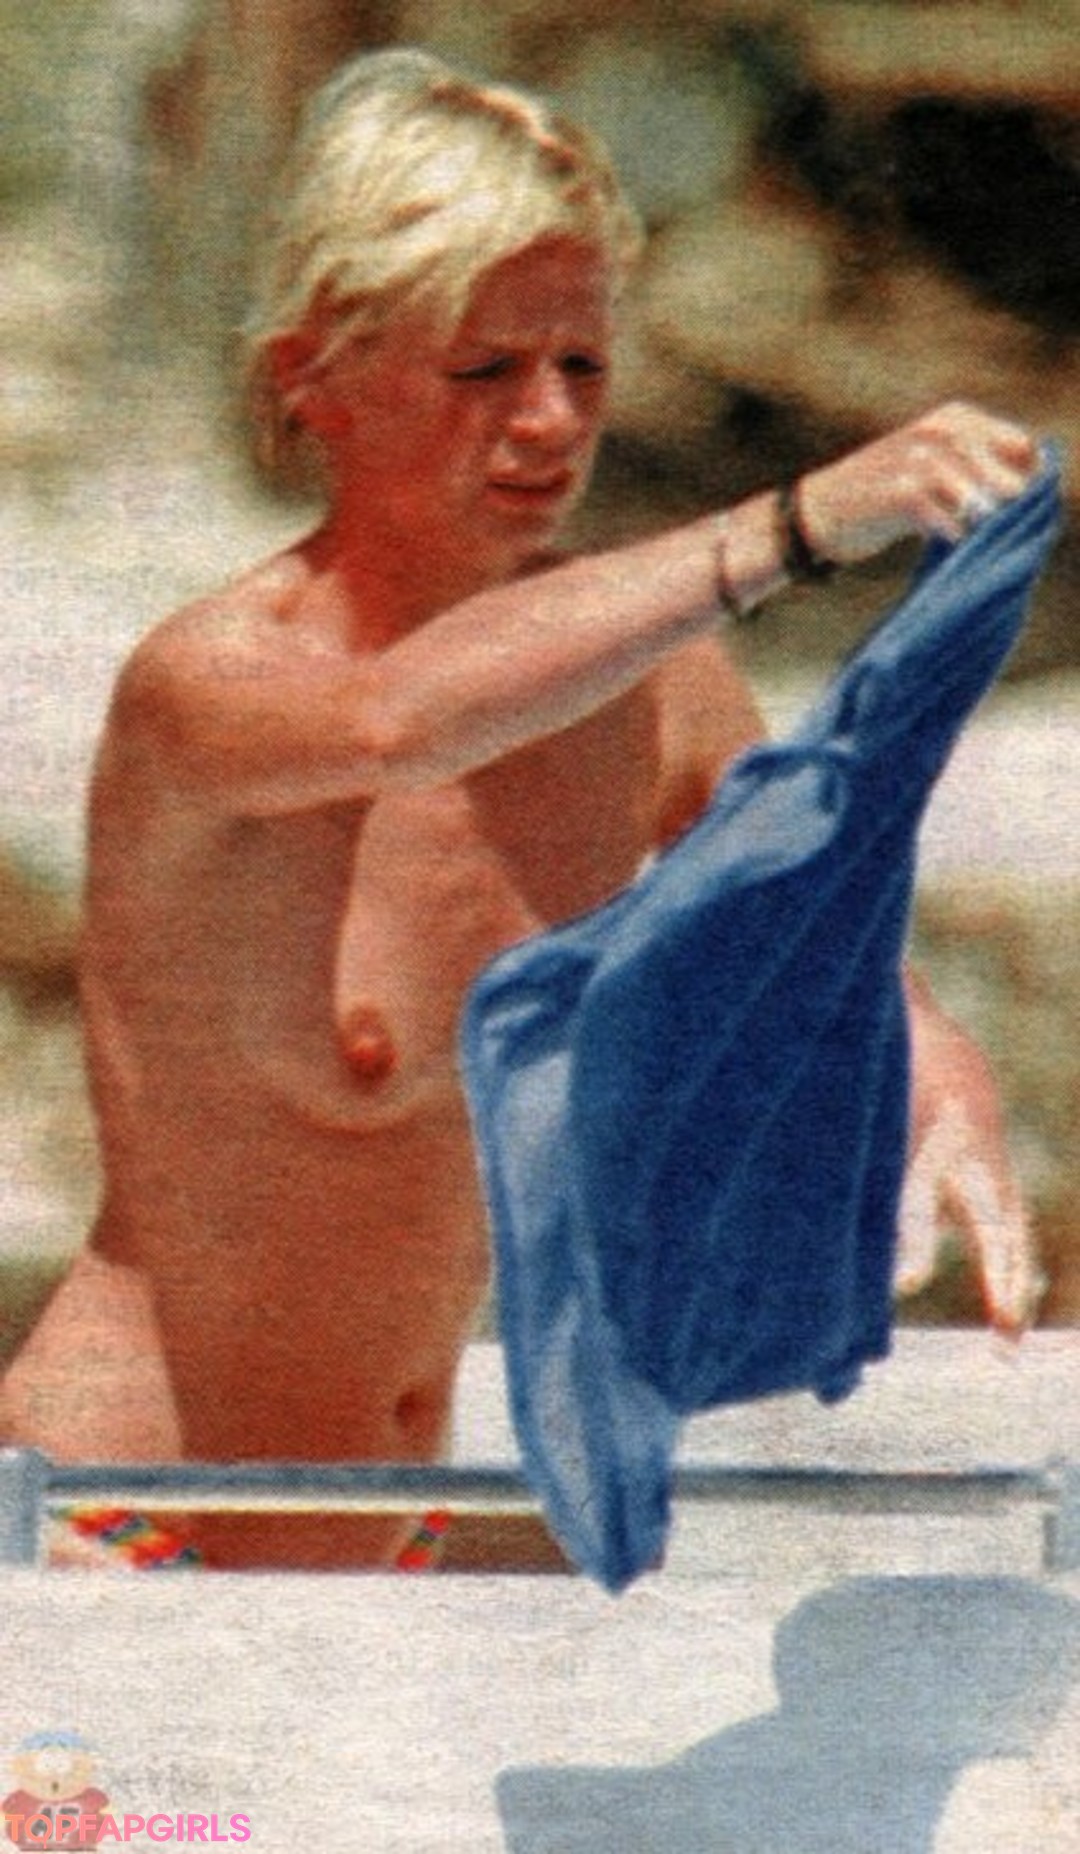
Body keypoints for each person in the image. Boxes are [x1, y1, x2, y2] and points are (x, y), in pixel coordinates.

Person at [0, 49, 1042, 1569]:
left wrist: (933, 1064)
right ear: (312, 379)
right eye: (484, 372)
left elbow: (809, 932)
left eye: (584, 368)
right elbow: (397, 720)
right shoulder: (209, 687)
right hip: (124, 1514)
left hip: (394, 1521)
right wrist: (797, 523)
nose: (549, 421)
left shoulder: (655, 687)